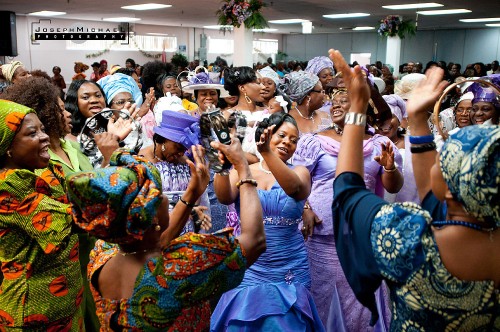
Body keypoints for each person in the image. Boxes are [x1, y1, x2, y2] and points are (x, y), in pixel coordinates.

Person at [330, 49, 500, 330]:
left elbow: (348, 193)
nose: (432, 164)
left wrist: (358, 108)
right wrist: (418, 119)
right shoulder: (479, 220)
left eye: (441, 163)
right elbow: (436, 201)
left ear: (447, 185)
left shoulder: (409, 239)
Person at [67, 140, 266, 331]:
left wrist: (192, 193)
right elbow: (255, 241)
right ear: (150, 218)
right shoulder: (179, 265)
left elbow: (155, 242)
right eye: (158, 195)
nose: (164, 197)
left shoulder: (103, 253)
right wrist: (242, 168)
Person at [292, 82, 402, 330]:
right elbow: (297, 183)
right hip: (321, 236)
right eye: (335, 101)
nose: (337, 106)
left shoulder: (380, 144)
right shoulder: (314, 142)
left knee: (361, 300)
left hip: (362, 234)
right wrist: (305, 208)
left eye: (346, 101)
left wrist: (389, 167)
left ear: (363, 107)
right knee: (322, 296)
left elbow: (393, 186)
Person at [211, 112, 324, 331]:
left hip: (289, 266)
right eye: (282, 135)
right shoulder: (245, 170)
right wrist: (222, 167)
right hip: (250, 264)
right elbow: (224, 197)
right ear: (266, 134)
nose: (287, 143)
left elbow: (294, 190)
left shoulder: (300, 172)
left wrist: (266, 152)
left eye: (293, 140)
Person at [0, 100, 83, 330]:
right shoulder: (8, 186)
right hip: (33, 315)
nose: (44, 136)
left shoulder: (42, 170)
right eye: (32, 133)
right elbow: (69, 221)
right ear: (8, 147)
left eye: (42, 129)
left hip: (66, 305)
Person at [139, 109, 212, 233]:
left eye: (184, 149)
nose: (181, 153)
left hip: (186, 228)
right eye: (178, 147)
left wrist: (194, 211)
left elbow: (194, 198)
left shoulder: (185, 162)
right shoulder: (142, 161)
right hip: (157, 230)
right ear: (163, 139)